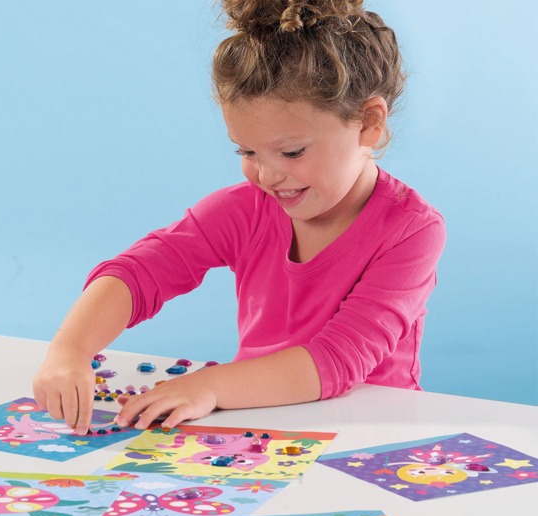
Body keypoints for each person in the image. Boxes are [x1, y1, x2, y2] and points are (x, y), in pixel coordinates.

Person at [33, 0, 446, 436]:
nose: (267, 176)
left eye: (291, 152)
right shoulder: (243, 209)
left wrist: (208, 386)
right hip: (256, 422)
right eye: (247, 151)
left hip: (370, 433)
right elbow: (140, 272)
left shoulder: (412, 230)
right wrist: (70, 350)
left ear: (368, 123)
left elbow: (339, 359)